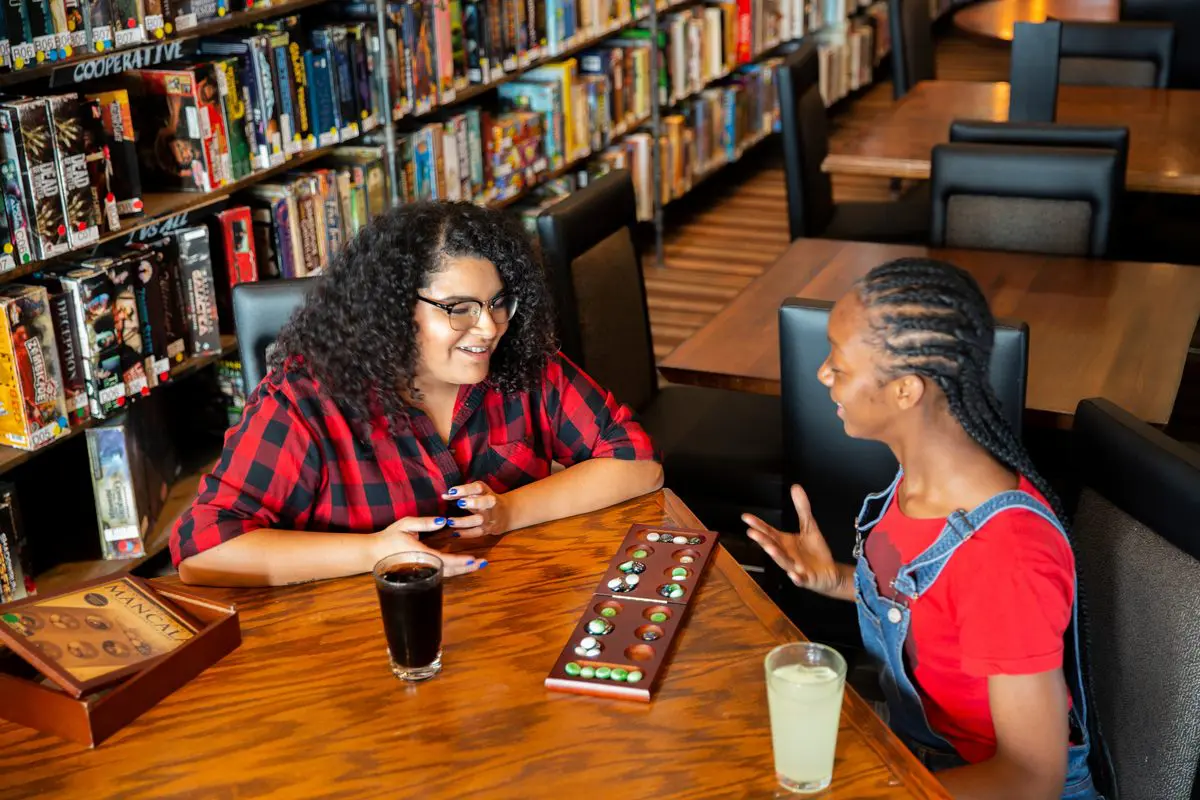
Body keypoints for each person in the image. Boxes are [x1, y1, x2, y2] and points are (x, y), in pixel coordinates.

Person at [744, 258, 1099, 800]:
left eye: (838, 363)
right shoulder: (921, 482)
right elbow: (927, 612)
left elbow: (1032, 779)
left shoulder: (1006, 555)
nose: (822, 374)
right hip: (920, 750)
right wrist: (836, 580)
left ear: (906, 391)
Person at [172, 202, 663, 587]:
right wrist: (374, 552)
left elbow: (637, 462)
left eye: (496, 303)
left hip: (511, 618)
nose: (489, 327)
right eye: (458, 308)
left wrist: (510, 511)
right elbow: (203, 552)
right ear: (394, 310)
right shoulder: (305, 403)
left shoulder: (521, 365)